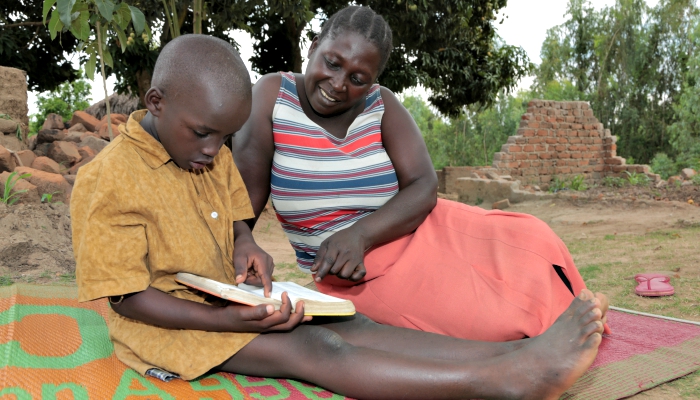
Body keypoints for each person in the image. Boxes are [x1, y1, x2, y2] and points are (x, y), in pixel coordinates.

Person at [72, 34, 606, 400]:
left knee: (353, 322)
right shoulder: (109, 180)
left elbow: (235, 215)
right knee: (313, 346)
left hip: (222, 300)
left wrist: (245, 246)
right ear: (156, 101)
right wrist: (223, 320)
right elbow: (128, 298)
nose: (214, 150)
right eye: (203, 134)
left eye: (223, 136)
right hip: (167, 323)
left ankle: (513, 355)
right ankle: (503, 384)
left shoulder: (203, 150)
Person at [233, 5, 609, 342]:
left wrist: (360, 234)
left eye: (358, 78)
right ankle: (570, 325)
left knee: (531, 238)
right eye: (332, 63)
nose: (338, 84)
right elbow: (242, 199)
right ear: (313, 46)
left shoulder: (382, 106)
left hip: (422, 231)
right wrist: (242, 239)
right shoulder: (271, 96)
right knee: (490, 322)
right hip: (355, 277)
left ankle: (582, 307)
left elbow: (424, 185)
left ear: (373, 79)